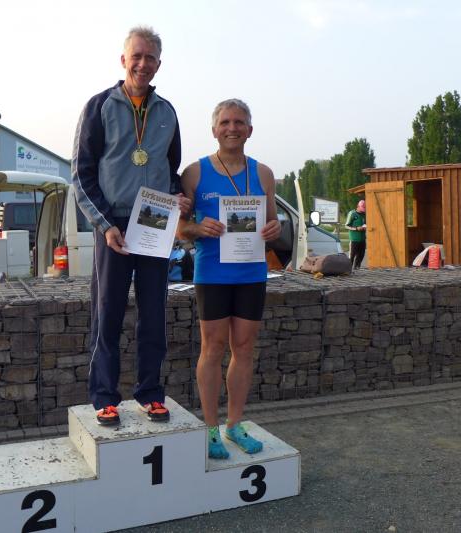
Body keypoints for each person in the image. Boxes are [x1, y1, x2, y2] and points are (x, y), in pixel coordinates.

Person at [71, 26, 191, 426]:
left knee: (154, 312)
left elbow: (170, 170)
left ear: (159, 64)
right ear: (123, 60)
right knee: (108, 311)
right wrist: (105, 224)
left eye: (150, 58)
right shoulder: (99, 106)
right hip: (114, 223)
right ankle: (104, 396)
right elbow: (82, 173)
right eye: (136, 56)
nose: (143, 64)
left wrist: (177, 197)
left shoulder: (167, 112)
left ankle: (150, 393)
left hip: (154, 220)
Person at [177, 99, 281, 459]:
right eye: (225, 122)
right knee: (213, 347)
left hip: (251, 272)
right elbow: (179, 230)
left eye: (239, 122)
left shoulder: (263, 173)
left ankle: (234, 424)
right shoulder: (194, 173)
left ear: (249, 130)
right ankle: (210, 428)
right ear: (214, 130)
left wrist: (274, 228)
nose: (232, 128)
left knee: (244, 347)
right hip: (213, 273)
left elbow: (273, 222)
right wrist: (198, 227)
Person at [345, 199, 366, 270]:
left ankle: (357, 268)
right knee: (352, 255)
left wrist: (365, 227)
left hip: (362, 238)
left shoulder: (364, 214)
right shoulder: (352, 213)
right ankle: (348, 269)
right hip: (354, 238)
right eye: (362, 209)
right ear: (358, 206)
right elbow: (346, 226)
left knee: (361, 254)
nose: (363, 210)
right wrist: (356, 228)